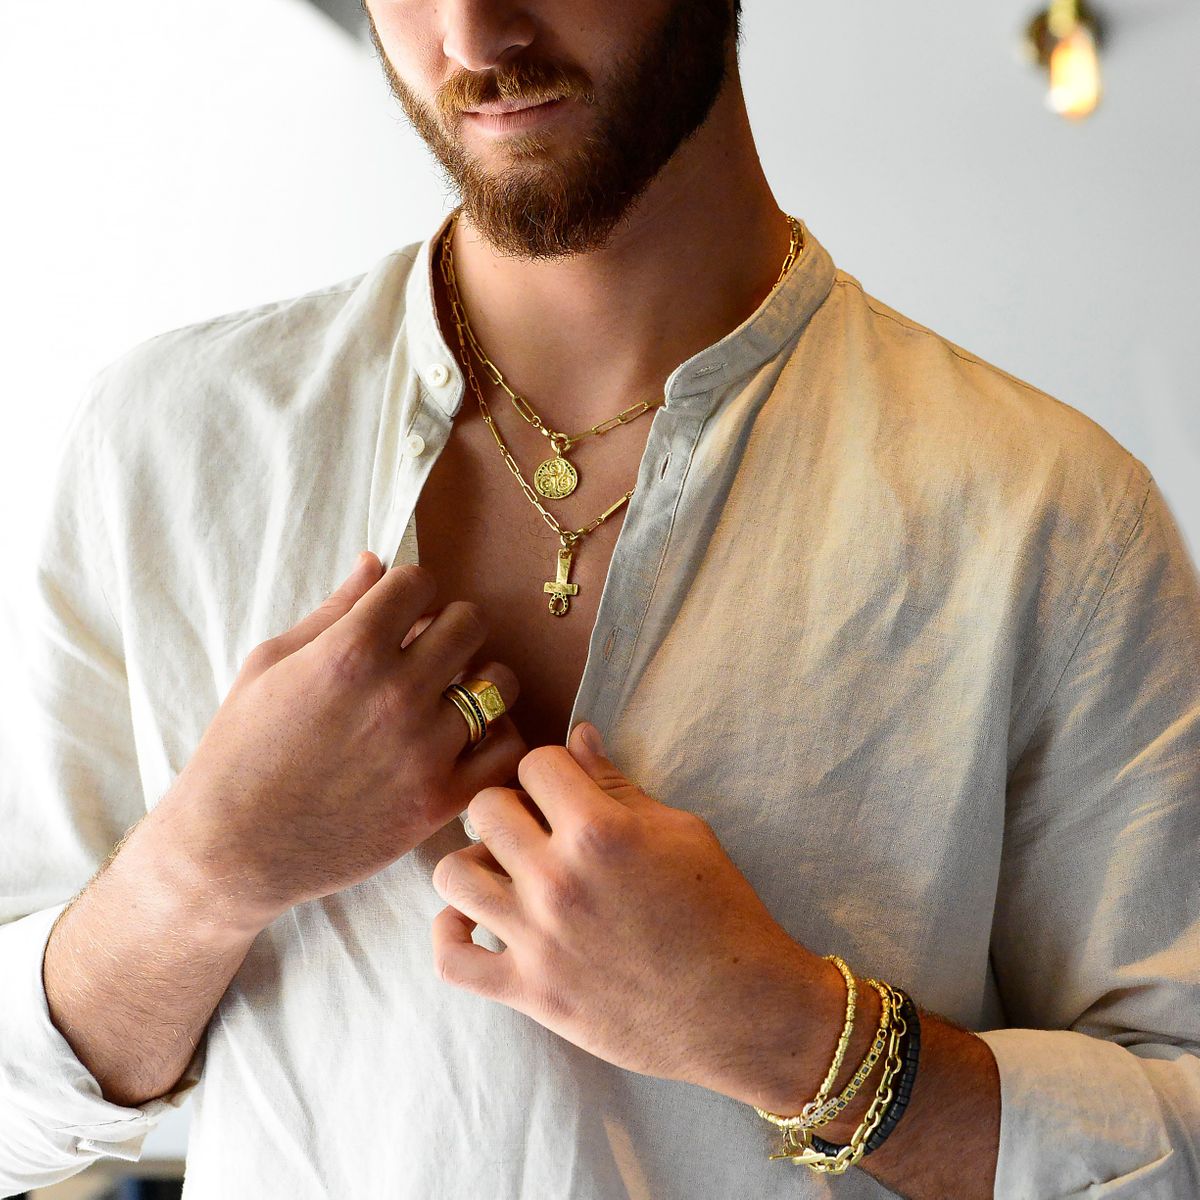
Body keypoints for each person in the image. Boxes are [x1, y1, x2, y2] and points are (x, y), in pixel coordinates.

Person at [1, 0, 1197, 1195]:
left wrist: (783, 1031)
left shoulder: (1052, 517)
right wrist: (203, 869)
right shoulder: (163, 449)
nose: (473, 36)